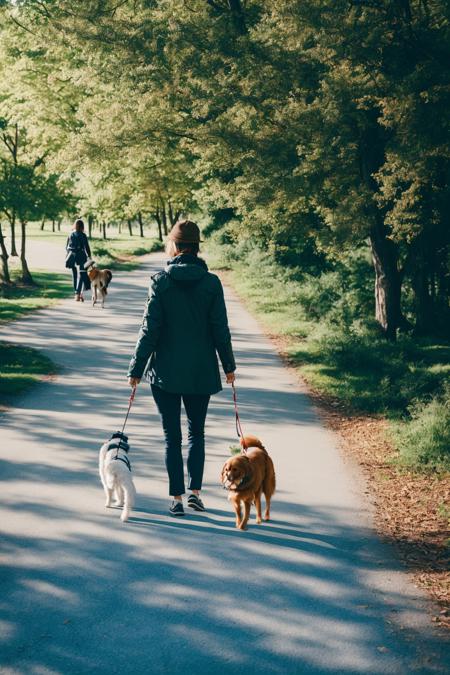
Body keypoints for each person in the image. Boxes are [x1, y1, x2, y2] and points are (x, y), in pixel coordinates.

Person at [128, 219, 236, 516]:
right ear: (196, 247)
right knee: (196, 434)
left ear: (174, 245)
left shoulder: (160, 282)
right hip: (201, 372)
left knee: (171, 437)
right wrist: (229, 366)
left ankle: (176, 498)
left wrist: (136, 369)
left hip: (164, 372)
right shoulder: (211, 283)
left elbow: (149, 330)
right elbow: (220, 329)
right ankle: (195, 494)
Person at [66, 219, 91, 302]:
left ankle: (76, 293)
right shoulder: (83, 235)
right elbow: (86, 247)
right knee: (82, 274)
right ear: (82, 226)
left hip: (72, 255)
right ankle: (79, 293)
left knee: (74, 275)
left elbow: (66, 247)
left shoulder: (70, 234)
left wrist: (68, 255)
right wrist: (89, 256)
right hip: (81, 255)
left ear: (75, 225)